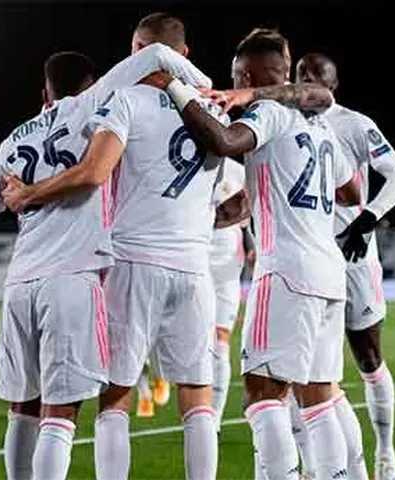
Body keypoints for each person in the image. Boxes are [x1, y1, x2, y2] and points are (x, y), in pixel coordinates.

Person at [0, 42, 212, 480]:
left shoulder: (13, 140)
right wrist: (202, 87)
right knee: (61, 413)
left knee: (23, 407)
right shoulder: (93, 105)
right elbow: (158, 54)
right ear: (92, 85)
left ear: (44, 91)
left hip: (19, 286)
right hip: (72, 280)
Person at [144, 30, 364, 480]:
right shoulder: (319, 125)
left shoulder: (269, 112)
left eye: (234, 78)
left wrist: (175, 87)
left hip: (285, 270)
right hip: (328, 273)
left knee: (262, 394)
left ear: (245, 75)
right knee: (319, 397)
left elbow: (225, 142)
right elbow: (351, 191)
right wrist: (210, 218)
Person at [297, 52, 395, 480]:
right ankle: (312, 464)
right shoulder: (283, 122)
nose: (308, 81)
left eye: (316, 76)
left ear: (334, 84)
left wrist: (366, 220)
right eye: (301, 75)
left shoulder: (355, 124)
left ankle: (385, 451)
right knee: (304, 367)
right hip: (307, 260)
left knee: (367, 357)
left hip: (353, 258)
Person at [209, 158, 252, 430]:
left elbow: (248, 219)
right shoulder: (189, 161)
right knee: (194, 336)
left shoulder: (240, 172)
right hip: (192, 256)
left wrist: (254, 247)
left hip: (227, 266)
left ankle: (212, 417)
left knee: (220, 338)